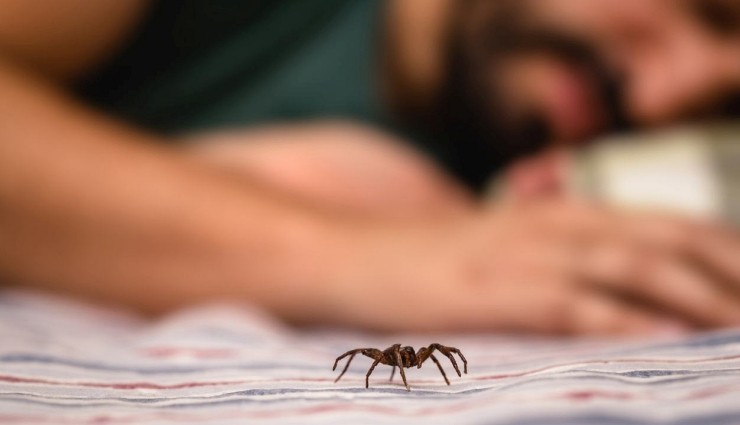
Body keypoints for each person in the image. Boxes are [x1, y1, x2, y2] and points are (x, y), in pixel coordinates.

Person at [1, 0, 740, 335]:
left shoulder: (488, 184)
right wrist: (357, 255)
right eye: (708, 11)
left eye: (722, 107)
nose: (656, 99)